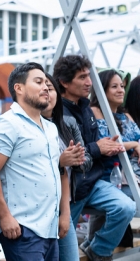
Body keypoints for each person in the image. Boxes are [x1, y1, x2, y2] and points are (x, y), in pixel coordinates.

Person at [53, 55, 136, 261]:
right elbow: (74, 154)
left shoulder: (85, 107)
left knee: (126, 207)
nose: (89, 82)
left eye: (89, 76)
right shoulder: (57, 112)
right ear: (64, 82)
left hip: (92, 182)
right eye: (82, 77)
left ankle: (98, 250)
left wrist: (105, 146)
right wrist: (99, 147)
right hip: (69, 189)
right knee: (62, 247)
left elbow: (89, 149)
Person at [0, 62, 61, 260]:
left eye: (46, 82)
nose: (46, 87)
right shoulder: (7, 124)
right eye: (38, 82)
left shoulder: (50, 128)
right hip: (22, 229)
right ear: (19, 88)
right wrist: (4, 217)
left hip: (50, 229)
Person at [41, 73, 92, 261]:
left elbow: (87, 161)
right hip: (37, 209)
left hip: (64, 207)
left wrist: (76, 161)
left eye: (50, 88)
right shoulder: (28, 126)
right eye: (41, 86)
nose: (46, 92)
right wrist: (60, 162)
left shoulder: (68, 123)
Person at [87, 69, 140, 248]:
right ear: (102, 89)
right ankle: (95, 246)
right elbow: (107, 145)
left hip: (133, 176)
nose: (121, 90)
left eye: (122, 86)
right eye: (114, 86)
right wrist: (134, 145)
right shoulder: (93, 112)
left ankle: (94, 245)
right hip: (110, 179)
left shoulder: (125, 115)